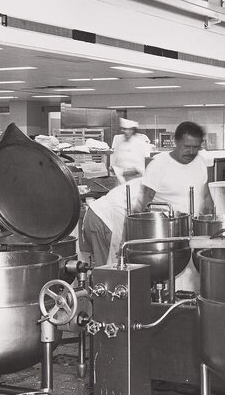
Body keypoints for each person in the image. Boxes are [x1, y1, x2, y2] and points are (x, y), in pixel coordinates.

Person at [139, 121, 214, 291]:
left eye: (196, 147)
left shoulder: (200, 162)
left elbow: (207, 198)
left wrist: (209, 222)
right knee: (169, 285)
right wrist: (130, 239)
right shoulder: (159, 165)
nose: (191, 152)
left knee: (192, 283)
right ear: (176, 142)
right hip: (166, 238)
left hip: (192, 236)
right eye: (187, 146)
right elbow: (142, 205)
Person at [80, 178, 144, 266]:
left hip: (98, 216)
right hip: (102, 220)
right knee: (109, 272)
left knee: (113, 269)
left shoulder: (151, 183)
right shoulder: (151, 188)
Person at [110, 118, 152, 184]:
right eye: (124, 129)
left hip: (135, 181)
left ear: (133, 130)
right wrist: (113, 169)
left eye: (129, 129)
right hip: (120, 181)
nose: (126, 132)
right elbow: (116, 162)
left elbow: (140, 168)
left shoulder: (140, 144)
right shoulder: (119, 143)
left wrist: (122, 172)